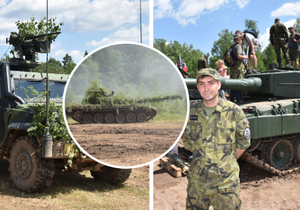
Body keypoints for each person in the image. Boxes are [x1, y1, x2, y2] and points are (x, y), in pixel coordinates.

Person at [182, 68, 251, 210]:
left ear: (219, 85)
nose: (206, 88)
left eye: (210, 83)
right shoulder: (191, 112)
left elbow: (243, 144)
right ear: (197, 87)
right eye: (201, 84)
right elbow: (188, 143)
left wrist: (225, 163)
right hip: (197, 185)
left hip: (226, 186)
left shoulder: (234, 111)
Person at [230, 34, 248, 104]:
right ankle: (239, 99)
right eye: (240, 38)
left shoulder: (232, 46)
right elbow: (238, 56)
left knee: (232, 83)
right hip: (238, 67)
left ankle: (231, 98)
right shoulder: (238, 46)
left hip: (232, 68)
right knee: (238, 83)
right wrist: (245, 57)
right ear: (237, 39)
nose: (241, 40)